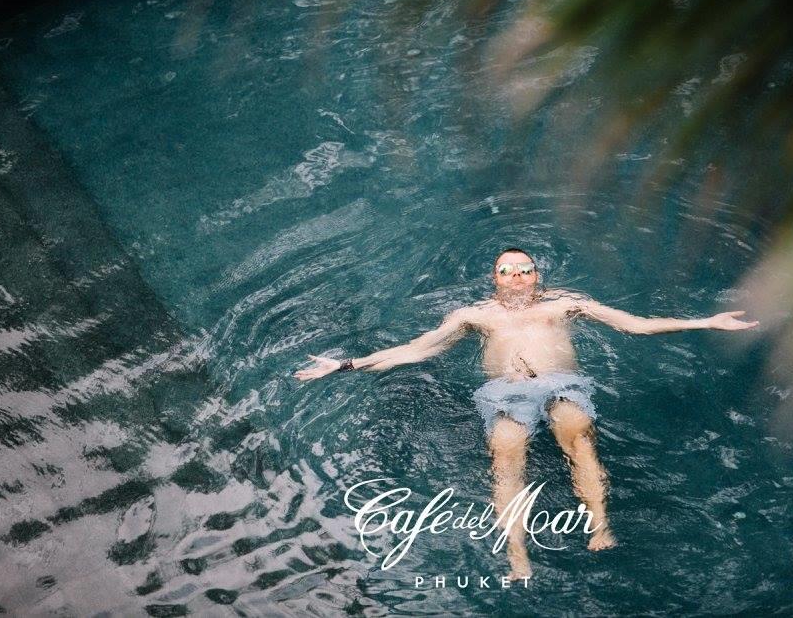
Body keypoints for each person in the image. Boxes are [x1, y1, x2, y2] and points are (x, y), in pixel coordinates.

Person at [294, 248, 758, 579]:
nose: (516, 276)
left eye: (524, 270)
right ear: (494, 278)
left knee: (577, 433)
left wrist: (707, 321)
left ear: (537, 275)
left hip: (561, 384)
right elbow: (416, 350)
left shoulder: (566, 304)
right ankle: (517, 554)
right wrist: (346, 365)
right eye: (507, 271)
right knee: (506, 455)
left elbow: (634, 325)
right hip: (507, 391)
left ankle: (600, 526)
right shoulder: (473, 316)